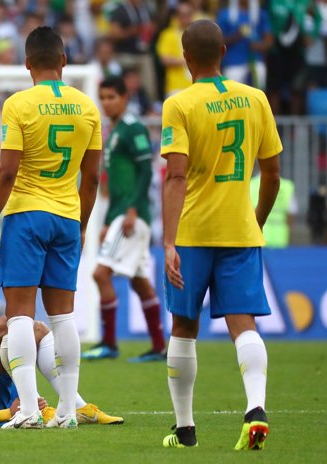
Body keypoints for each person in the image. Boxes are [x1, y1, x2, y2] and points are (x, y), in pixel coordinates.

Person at [160, 19, 282, 449]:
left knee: (183, 326)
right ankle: (255, 409)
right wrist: (257, 219)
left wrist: (169, 241)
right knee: (243, 324)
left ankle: (186, 428)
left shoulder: (179, 104)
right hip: (240, 230)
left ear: (186, 57)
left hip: (192, 232)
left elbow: (175, 176)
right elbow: (272, 174)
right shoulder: (256, 99)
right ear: (224, 52)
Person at [0, 26, 101, 429]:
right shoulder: (87, 106)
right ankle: (66, 411)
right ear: (64, 61)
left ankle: (29, 410)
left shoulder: (19, 104)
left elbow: (7, 169)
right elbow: (93, 177)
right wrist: (81, 224)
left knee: (18, 317)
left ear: (27, 63)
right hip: (67, 216)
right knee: (64, 317)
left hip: (27, 215)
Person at [81, 76, 166, 363]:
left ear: (125, 98)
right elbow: (114, 185)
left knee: (100, 273)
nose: (106, 103)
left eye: (111, 97)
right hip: (120, 213)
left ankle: (109, 343)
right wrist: (107, 220)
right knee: (140, 282)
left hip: (132, 214)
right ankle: (158, 346)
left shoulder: (133, 128)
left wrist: (131, 210)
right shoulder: (114, 131)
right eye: (102, 97)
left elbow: (146, 171)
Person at [250, 174, 297, 247]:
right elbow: (290, 214)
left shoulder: (251, 184)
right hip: (280, 237)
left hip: (259, 237)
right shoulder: (287, 186)